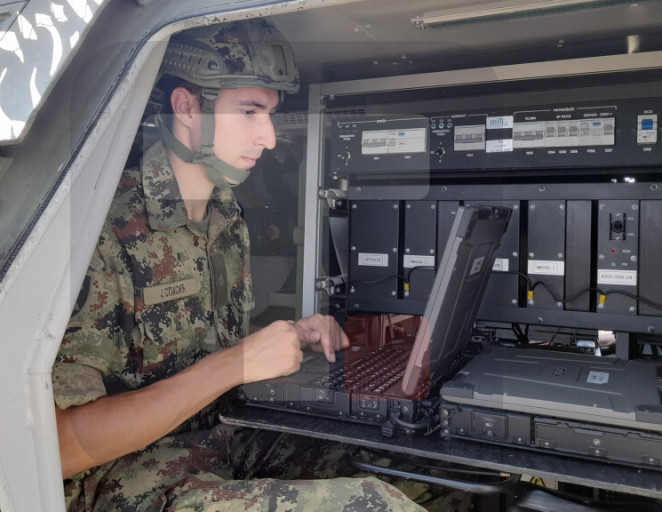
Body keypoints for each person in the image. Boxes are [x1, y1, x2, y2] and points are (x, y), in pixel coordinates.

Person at [51, 18, 437, 511]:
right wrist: (234, 364)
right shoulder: (101, 231)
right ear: (186, 107)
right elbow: (61, 448)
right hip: (123, 478)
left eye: (270, 114)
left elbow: (198, 341)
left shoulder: (226, 217)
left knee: (414, 466)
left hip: (221, 438)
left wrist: (288, 336)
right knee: (371, 504)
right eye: (249, 111)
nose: (270, 138)